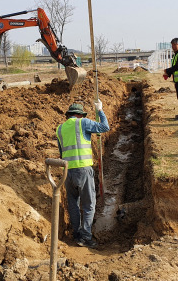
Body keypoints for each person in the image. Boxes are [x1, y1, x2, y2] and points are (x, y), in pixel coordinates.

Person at [56, 101, 109, 248]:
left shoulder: (59, 129)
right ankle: (86, 236)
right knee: (89, 205)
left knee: (73, 204)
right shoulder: (83, 123)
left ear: (68, 115)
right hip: (83, 170)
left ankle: (77, 234)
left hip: (67, 171)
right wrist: (100, 111)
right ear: (80, 114)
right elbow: (105, 127)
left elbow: (62, 153)